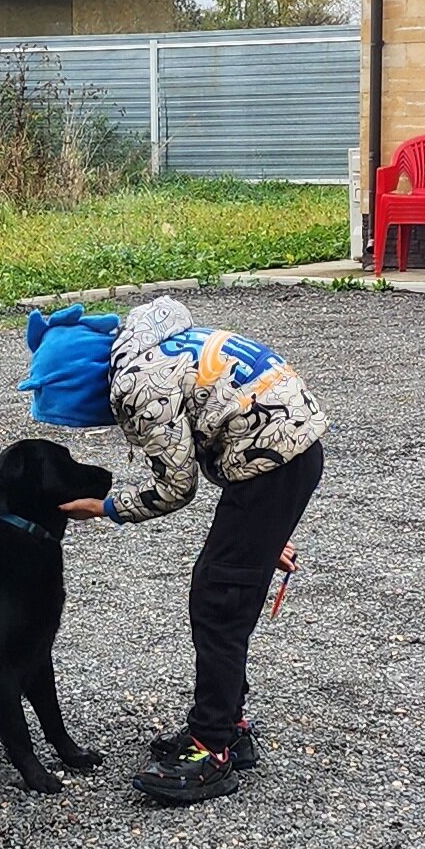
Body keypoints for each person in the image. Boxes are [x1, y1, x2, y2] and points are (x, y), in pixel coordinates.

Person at [59, 295, 325, 806]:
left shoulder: (134, 385)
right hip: (288, 446)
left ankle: (212, 748)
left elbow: (176, 488)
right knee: (225, 586)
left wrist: (105, 507)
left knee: (218, 600)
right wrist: (263, 536)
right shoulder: (148, 343)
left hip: (273, 463)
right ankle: (228, 723)